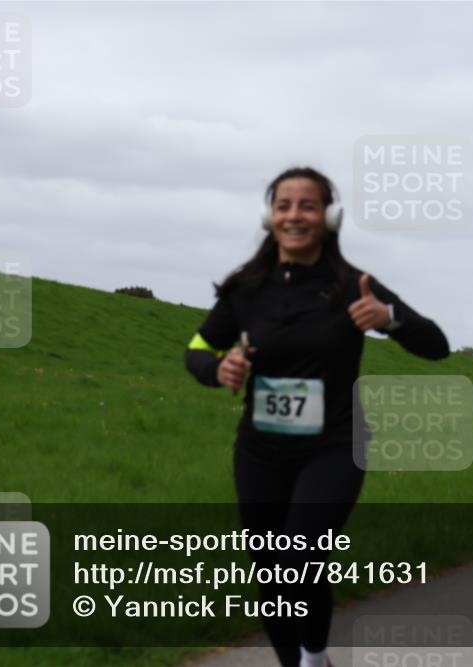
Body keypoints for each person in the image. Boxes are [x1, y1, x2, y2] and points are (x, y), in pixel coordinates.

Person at [185, 167, 450, 667]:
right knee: (269, 572)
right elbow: (197, 347)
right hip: (260, 450)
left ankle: (314, 657)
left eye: (307, 205)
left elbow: (437, 345)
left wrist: (390, 321)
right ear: (270, 217)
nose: (294, 215)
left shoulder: (354, 286)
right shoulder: (246, 289)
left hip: (334, 444)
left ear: (329, 217)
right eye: (283, 205)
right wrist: (217, 368)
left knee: (299, 557)